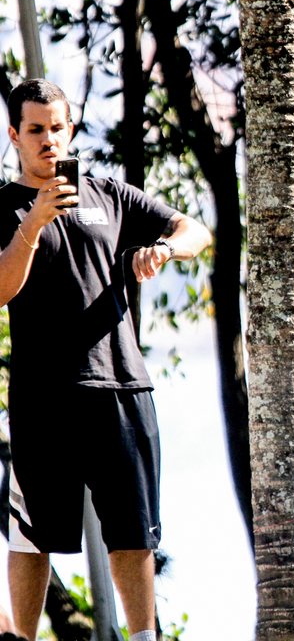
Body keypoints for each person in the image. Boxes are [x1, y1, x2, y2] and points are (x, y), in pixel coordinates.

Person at [0, 79, 213, 641]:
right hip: (44, 396)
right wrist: (33, 223)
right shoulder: (3, 207)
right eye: (36, 130)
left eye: (58, 127)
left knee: (134, 531)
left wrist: (164, 249)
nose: (49, 140)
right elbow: (0, 288)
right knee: (31, 532)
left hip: (121, 386)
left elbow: (196, 229)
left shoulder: (110, 195)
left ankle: (142, 637)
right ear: (15, 136)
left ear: (72, 129)